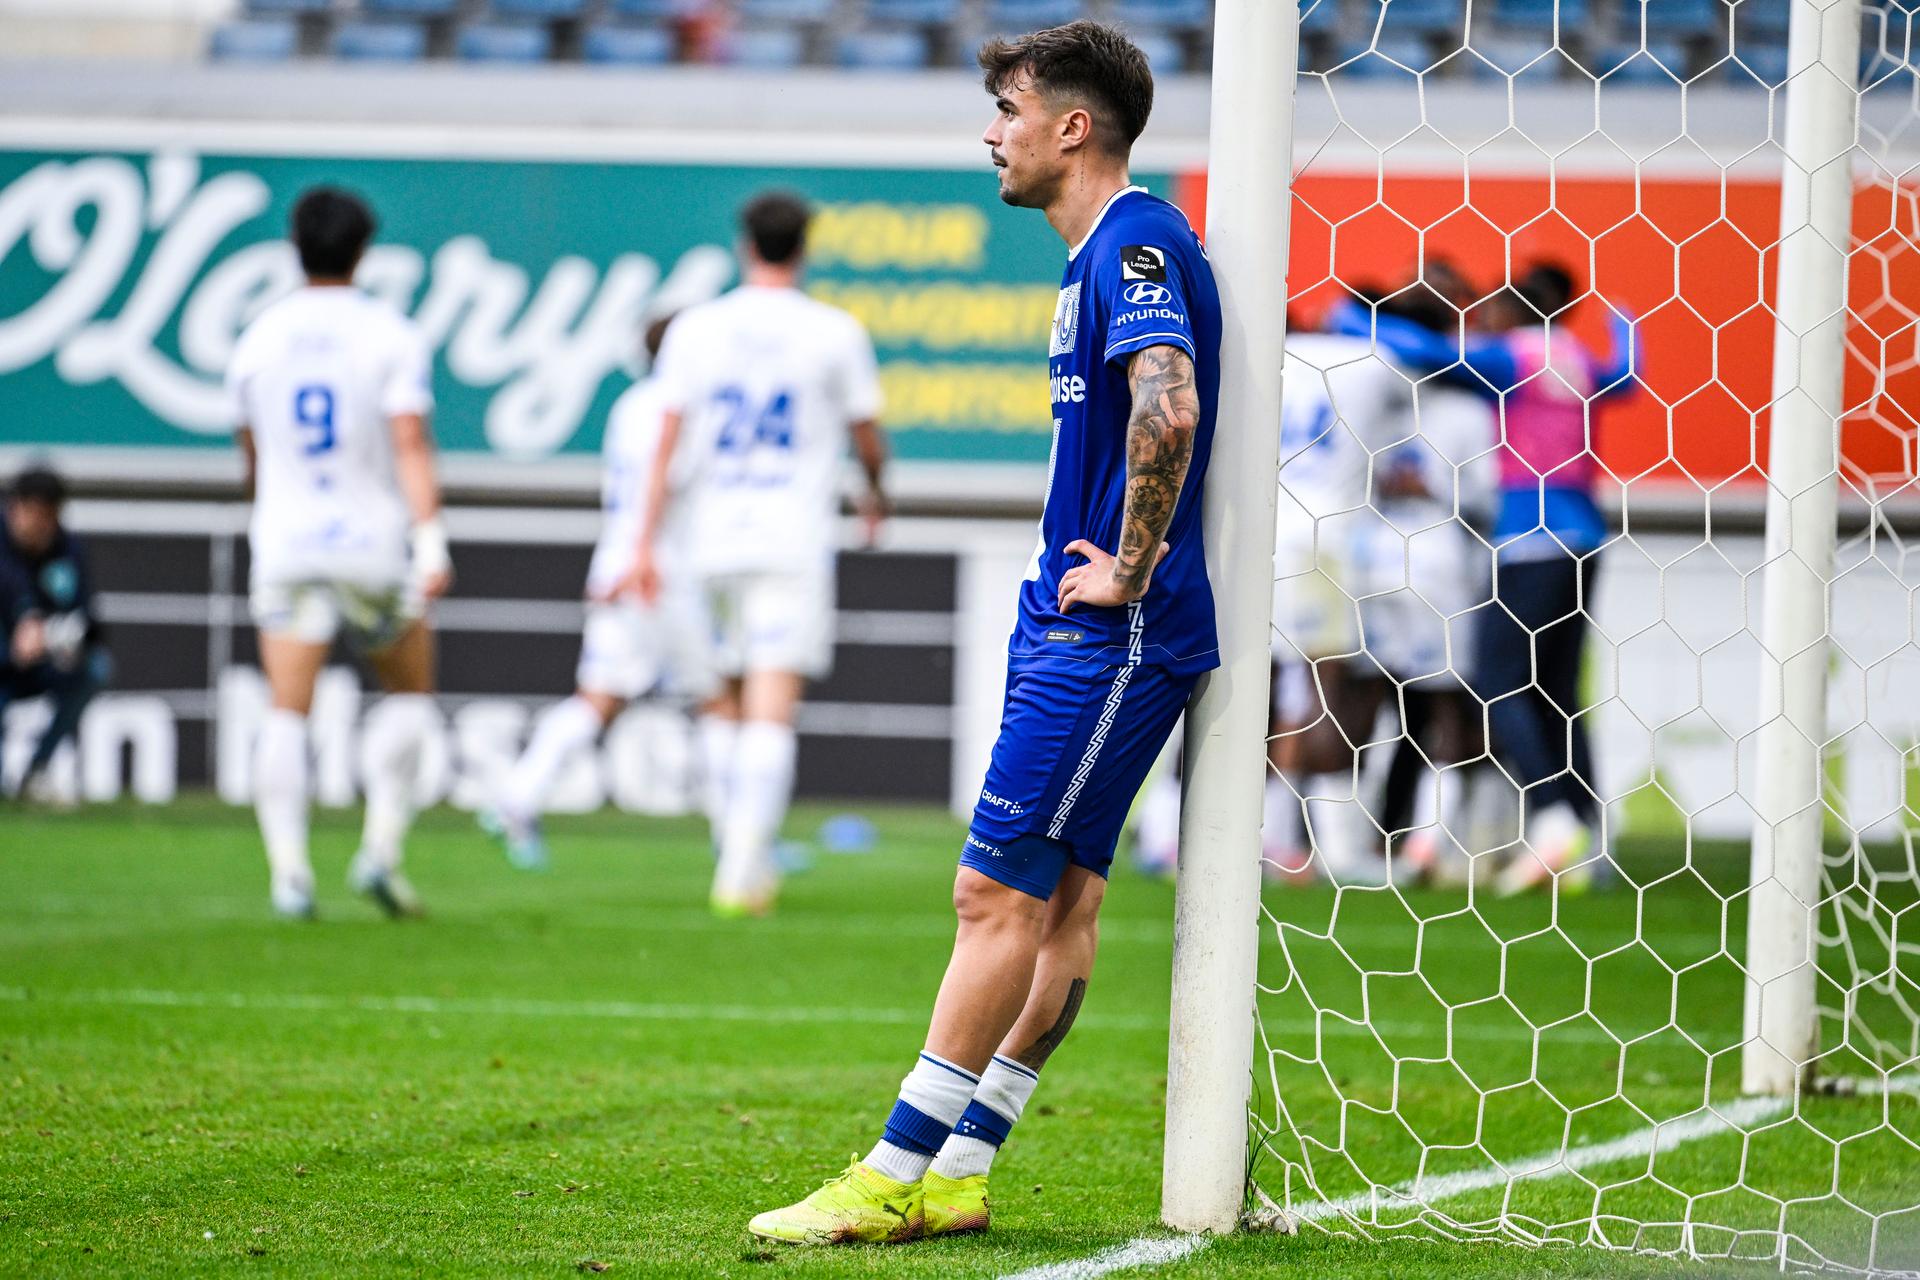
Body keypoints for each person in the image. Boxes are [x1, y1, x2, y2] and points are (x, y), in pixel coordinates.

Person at [746, 21, 1221, 1245]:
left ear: (1074, 126)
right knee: (1059, 901)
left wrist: (1130, 565)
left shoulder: (1137, 244)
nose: (991, 133)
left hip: (1111, 635)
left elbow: (1169, 401)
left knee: (990, 893)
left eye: (1010, 109)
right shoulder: (1098, 254)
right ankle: (960, 1168)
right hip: (1086, 623)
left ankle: (892, 1170)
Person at [1333, 262, 1638, 894]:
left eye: (1490, 311)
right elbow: (1627, 378)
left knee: (1501, 684)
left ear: (1513, 313)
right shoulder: (1576, 357)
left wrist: (1353, 319)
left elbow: (1426, 351)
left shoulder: (1511, 358)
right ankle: (1589, 835)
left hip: (1529, 539)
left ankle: (1553, 815)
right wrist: (1625, 324)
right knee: (1557, 692)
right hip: (1584, 534)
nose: (1480, 322)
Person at [632, 191, 888, 918]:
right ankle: (745, 865)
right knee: (771, 706)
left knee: (725, 702)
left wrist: (644, 539)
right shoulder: (834, 331)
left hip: (709, 539)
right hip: (790, 540)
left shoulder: (695, 329)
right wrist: (876, 494)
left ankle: (733, 846)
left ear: (745, 246)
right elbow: (867, 434)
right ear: (803, 248)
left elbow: (665, 440)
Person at [227, 186, 452, 921]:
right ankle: (380, 850)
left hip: (287, 542)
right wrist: (431, 540)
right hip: (370, 545)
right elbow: (409, 442)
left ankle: (289, 872)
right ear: (363, 251)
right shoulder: (390, 334)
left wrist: (273, 511)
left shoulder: (258, 338)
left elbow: (252, 454)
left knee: (286, 711)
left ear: (295, 246)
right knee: (409, 695)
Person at [481, 314, 709, 870]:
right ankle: (746, 844)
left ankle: (517, 797)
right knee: (724, 700)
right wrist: (646, 553)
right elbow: (666, 483)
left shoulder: (629, 405)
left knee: (597, 699)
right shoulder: (685, 407)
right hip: (662, 569)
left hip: (617, 561)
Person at [1346, 279, 1497, 886]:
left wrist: (1418, 486)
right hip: (1418, 568)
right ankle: (1404, 844)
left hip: (1392, 565)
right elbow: (1487, 496)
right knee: (1427, 707)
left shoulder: (1380, 402)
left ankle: (1383, 845)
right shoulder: (1460, 408)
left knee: (1384, 704)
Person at [0, 465, 111, 801]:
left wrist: (56, 637)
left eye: (49, 516)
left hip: (41, 664)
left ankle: (37, 771)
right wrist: (21, 629)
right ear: (14, 508)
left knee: (95, 668)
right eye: (34, 514)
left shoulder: (67, 549)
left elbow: (89, 621)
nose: (41, 525)